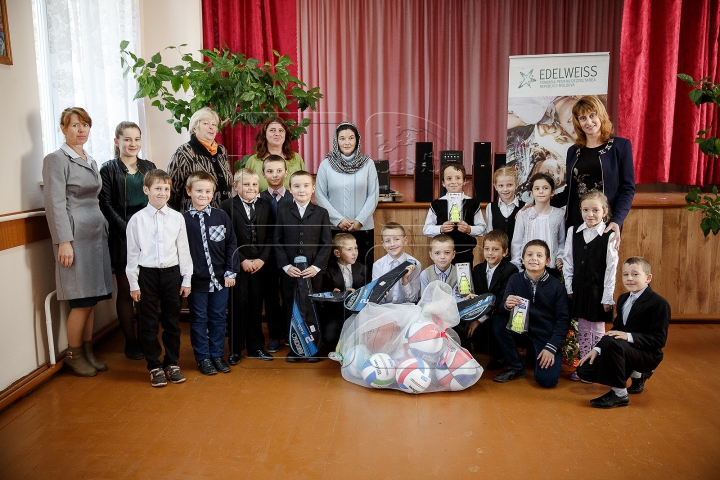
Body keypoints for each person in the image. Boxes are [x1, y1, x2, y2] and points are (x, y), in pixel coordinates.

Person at [43, 107, 114, 377]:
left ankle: (88, 350)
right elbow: (55, 204)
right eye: (75, 125)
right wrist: (64, 242)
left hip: (95, 237)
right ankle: (73, 354)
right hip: (74, 239)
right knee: (80, 299)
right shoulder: (56, 159)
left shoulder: (90, 159)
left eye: (85, 125)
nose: (81, 130)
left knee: (91, 297)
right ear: (63, 129)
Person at [126, 169, 193, 387]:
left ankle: (172, 362)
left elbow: (183, 250)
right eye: (157, 189)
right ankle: (154, 365)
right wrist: (134, 283)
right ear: (146, 190)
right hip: (147, 275)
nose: (162, 193)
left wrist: (186, 279)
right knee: (148, 322)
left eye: (166, 189)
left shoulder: (177, 218)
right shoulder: (136, 221)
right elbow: (133, 255)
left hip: (171, 273)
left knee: (172, 322)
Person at [576, 257, 670, 408]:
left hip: (647, 355)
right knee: (584, 370)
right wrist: (597, 349)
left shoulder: (659, 303)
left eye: (635, 274)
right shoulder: (623, 299)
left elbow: (659, 340)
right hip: (624, 350)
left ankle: (619, 394)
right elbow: (616, 329)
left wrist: (628, 336)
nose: (629, 278)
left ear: (648, 277)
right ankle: (637, 374)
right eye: (625, 275)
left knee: (614, 343)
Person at [99, 121, 156, 360]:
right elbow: (106, 204)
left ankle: (147, 338)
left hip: (149, 234)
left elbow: (157, 196)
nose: (133, 144)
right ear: (117, 142)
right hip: (122, 236)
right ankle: (130, 342)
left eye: (137, 139)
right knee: (126, 290)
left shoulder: (149, 166)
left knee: (146, 289)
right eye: (127, 139)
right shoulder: (108, 169)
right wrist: (128, 229)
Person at [551, 95, 636, 247]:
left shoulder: (620, 146)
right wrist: (541, 202)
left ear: (601, 115)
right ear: (578, 122)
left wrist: (617, 221)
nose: (589, 122)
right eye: (583, 118)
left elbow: (627, 189)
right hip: (576, 221)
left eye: (592, 116)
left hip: (605, 223)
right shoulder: (573, 151)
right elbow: (570, 191)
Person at [274, 171, 333, 363]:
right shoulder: (283, 212)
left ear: (313, 189)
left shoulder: (321, 213)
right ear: (290, 189)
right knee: (291, 306)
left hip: (312, 273)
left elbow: (326, 244)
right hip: (291, 273)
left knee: (313, 306)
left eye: (306, 185)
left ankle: (314, 347)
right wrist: (285, 266)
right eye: (297, 186)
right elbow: (277, 241)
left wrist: (316, 267)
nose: (302, 190)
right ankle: (295, 347)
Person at [493, 240, 570, 388]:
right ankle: (516, 366)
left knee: (547, 381)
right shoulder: (515, 279)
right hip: (520, 329)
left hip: (544, 334)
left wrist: (551, 347)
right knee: (498, 321)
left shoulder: (557, 287)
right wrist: (507, 304)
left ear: (547, 261)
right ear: (522, 260)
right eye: (529, 255)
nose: (534, 258)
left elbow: (563, 320)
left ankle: (536, 354)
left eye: (539, 255)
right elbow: (503, 308)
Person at [183, 171, 238, 375]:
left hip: (221, 279)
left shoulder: (220, 216)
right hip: (197, 281)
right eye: (198, 190)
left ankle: (217, 355)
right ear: (189, 192)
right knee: (198, 318)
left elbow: (231, 243)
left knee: (217, 317)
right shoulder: (183, 220)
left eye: (207, 191)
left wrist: (231, 271)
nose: (203, 195)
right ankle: (203, 357)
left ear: (213, 193)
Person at [563, 191, 619, 381]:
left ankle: (597, 368)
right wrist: (569, 288)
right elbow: (568, 261)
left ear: (604, 211)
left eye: (595, 210)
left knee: (597, 329)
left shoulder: (609, 235)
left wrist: (607, 297)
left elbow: (612, 268)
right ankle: (584, 367)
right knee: (583, 329)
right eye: (586, 210)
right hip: (579, 287)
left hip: (598, 291)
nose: (590, 214)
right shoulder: (574, 231)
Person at [221, 168, 274, 364]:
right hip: (238, 265)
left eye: (254, 184)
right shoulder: (227, 206)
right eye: (245, 184)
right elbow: (227, 238)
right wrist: (241, 260)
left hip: (260, 265)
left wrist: (262, 259)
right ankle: (235, 349)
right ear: (235, 186)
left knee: (255, 306)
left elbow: (271, 235)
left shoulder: (265, 205)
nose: (251, 188)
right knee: (237, 306)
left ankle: (256, 347)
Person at [315, 122, 379, 271]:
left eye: (351, 138)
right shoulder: (326, 165)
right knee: (334, 273)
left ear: (357, 140)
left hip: (363, 228)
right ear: (336, 141)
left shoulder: (368, 164)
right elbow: (320, 196)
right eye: (342, 138)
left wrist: (359, 221)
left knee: (363, 270)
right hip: (334, 228)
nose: (347, 142)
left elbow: (373, 194)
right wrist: (339, 220)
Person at [469, 230, 519, 370]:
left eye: (495, 249)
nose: (490, 253)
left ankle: (500, 356)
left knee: (497, 322)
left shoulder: (511, 270)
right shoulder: (478, 269)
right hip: (483, 311)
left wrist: (479, 319)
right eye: (487, 249)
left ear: (505, 252)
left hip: (500, 312)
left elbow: (500, 300)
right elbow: (476, 294)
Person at [258, 155, 294, 352]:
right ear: (263, 174)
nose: (274, 175)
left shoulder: (293, 197)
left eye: (279, 170)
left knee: (289, 295)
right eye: (270, 171)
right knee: (270, 297)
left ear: (286, 172)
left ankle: (289, 334)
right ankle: (274, 334)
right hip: (268, 257)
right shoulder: (259, 199)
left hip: (288, 257)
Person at [167, 107, 233, 212]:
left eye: (214, 125)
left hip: (224, 216)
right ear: (194, 128)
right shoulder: (183, 152)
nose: (211, 127)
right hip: (195, 217)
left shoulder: (221, 150)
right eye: (206, 123)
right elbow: (172, 192)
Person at [422, 163, 487, 266]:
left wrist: (469, 229)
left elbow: (483, 229)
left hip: (465, 254)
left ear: (464, 181)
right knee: (444, 281)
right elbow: (426, 229)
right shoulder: (436, 204)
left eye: (458, 178)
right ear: (443, 182)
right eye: (449, 178)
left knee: (463, 282)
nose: (453, 182)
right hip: (442, 257)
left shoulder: (473, 203)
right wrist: (441, 229)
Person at [511, 173, 566, 279]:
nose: (541, 191)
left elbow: (561, 241)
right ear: (531, 193)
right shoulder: (523, 214)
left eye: (545, 188)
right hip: (527, 268)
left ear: (552, 192)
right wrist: (517, 265)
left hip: (551, 268)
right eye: (537, 188)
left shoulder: (559, 214)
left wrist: (560, 258)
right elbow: (517, 242)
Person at [419, 235, 470, 347]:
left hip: (454, 317)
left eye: (447, 253)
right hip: (433, 316)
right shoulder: (425, 274)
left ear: (453, 254)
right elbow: (426, 300)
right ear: (431, 255)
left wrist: (466, 297)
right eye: (437, 253)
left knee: (461, 341)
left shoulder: (461, 273)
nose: (442, 257)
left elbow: (458, 300)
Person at [321, 233, 366, 352]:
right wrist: (333, 292)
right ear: (337, 253)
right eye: (349, 249)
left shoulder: (363, 269)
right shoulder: (328, 270)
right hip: (336, 313)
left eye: (355, 248)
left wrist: (356, 294)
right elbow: (323, 292)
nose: (354, 253)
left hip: (357, 313)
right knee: (329, 339)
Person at [244, 116, 306, 192]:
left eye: (281, 130)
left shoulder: (296, 158)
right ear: (264, 134)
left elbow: (305, 187)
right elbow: (245, 191)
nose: (277, 134)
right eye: (272, 130)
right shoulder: (253, 161)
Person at [372, 222, 421, 304]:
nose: (392, 244)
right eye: (387, 241)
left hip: (407, 308)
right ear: (383, 244)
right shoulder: (378, 265)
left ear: (405, 241)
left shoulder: (415, 264)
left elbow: (413, 299)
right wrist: (380, 293)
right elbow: (375, 297)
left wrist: (405, 280)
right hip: (384, 308)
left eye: (396, 239)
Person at [485, 167, 524, 257]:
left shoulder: (524, 207)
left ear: (516, 185)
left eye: (509, 185)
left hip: (518, 257)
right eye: (501, 186)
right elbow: (490, 234)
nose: (505, 189)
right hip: (497, 257)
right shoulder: (490, 207)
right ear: (495, 186)